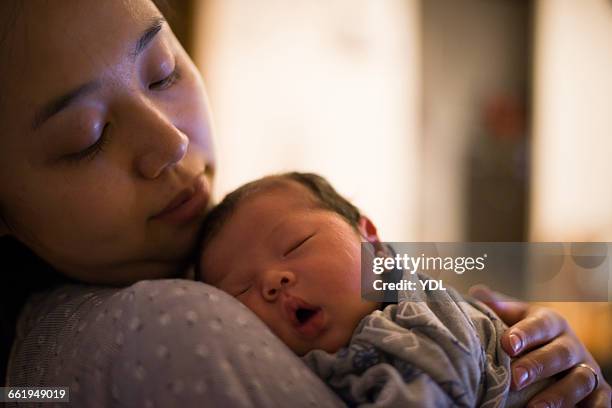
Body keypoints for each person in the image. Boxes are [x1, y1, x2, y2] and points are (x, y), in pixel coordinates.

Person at [0, 1, 608, 407]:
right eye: (87, 136)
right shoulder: (165, 330)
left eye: (161, 73)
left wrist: (534, 359)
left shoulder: (386, 280)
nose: (172, 143)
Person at [194, 172, 564, 406]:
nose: (273, 281)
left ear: (370, 239)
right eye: (241, 290)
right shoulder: (303, 363)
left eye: (296, 245)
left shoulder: (418, 315)